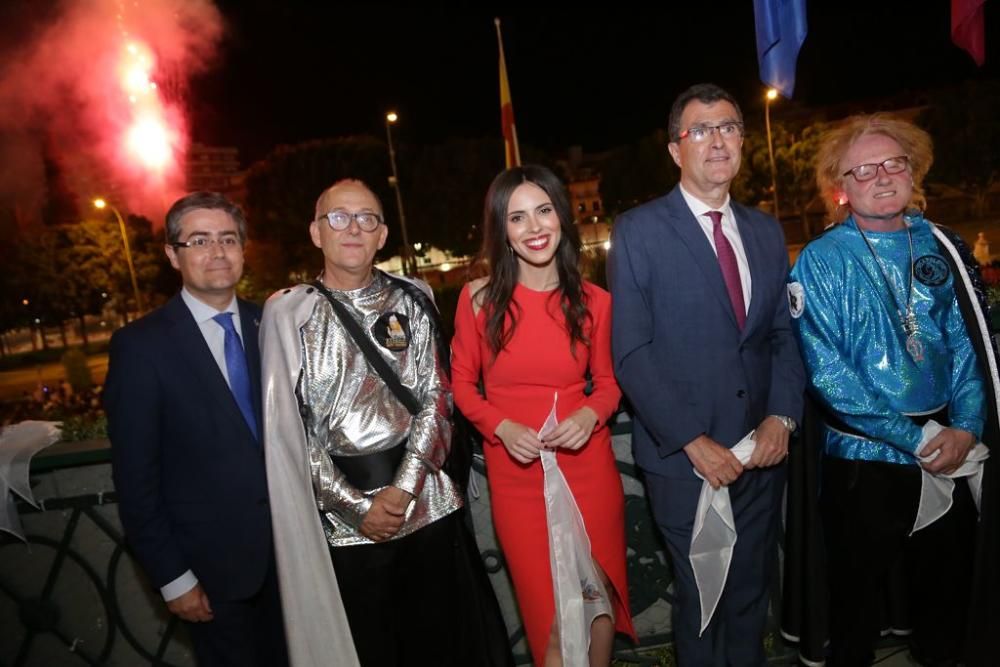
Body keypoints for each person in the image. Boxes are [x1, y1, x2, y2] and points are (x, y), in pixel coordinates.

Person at [787, 113, 1000, 666]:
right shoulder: (821, 260)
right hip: (865, 460)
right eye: (864, 170)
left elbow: (969, 347)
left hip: (950, 449)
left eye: (893, 163)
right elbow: (829, 374)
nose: (882, 177)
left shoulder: (943, 245)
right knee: (855, 611)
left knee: (945, 600)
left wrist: (966, 426)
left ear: (913, 170)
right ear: (840, 185)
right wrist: (915, 437)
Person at [261, 179, 501, 667]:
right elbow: (291, 432)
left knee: (447, 643)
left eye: (366, 218)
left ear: (383, 234)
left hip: (428, 503)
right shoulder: (290, 313)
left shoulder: (412, 299)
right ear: (315, 232)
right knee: (374, 648)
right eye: (339, 217)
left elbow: (438, 395)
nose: (353, 229)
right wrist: (356, 506)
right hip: (345, 521)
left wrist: (405, 488)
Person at [607, 83, 805, 665]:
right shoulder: (638, 230)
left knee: (749, 593)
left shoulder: (766, 231)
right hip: (684, 462)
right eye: (700, 129)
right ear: (676, 150)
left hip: (758, 456)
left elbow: (781, 336)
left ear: (743, 141)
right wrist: (694, 441)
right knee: (702, 599)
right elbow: (632, 353)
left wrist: (782, 417)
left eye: (729, 127)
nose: (717, 140)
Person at [451, 164, 636, 666]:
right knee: (550, 618)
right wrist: (501, 426)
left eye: (543, 211)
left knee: (597, 607)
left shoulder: (596, 302)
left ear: (561, 218)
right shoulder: (478, 300)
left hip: (589, 471)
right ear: (502, 231)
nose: (534, 228)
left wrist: (590, 415)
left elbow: (611, 384)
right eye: (517, 218)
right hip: (517, 479)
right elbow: (462, 387)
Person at [104, 192, 287, 666]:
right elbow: (136, 480)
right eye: (199, 240)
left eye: (228, 239)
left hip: (294, 559)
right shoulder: (140, 348)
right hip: (212, 574)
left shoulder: (273, 325)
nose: (217, 251)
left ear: (244, 250)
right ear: (172, 254)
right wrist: (173, 577)